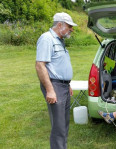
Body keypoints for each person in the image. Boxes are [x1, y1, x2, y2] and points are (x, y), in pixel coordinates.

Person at [35, 12, 77, 149]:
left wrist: (67, 84)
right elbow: (40, 65)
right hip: (55, 86)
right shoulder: (47, 39)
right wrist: (50, 90)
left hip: (63, 86)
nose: (71, 29)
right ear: (60, 25)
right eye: (69, 26)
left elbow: (58, 65)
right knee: (58, 127)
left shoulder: (60, 40)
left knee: (64, 124)